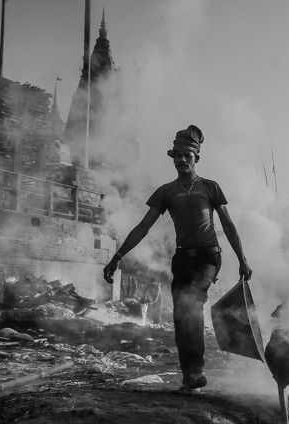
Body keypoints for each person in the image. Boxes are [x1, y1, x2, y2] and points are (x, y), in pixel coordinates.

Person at [103, 125, 252, 394]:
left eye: (187, 156)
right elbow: (143, 227)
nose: (182, 160)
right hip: (181, 259)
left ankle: (197, 370)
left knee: (191, 302)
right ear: (172, 158)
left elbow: (228, 225)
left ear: (196, 158)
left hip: (209, 257)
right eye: (177, 156)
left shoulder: (210, 187)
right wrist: (117, 257)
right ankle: (188, 378)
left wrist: (242, 259)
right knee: (180, 316)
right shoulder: (166, 192)